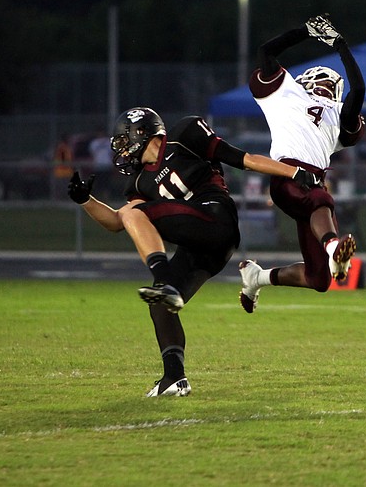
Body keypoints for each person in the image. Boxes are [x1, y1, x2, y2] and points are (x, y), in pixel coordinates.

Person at [67, 107, 320, 397]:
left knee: (137, 219)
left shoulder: (184, 136)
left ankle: (163, 282)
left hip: (216, 220)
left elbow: (244, 160)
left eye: (124, 142)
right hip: (205, 250)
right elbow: (116, 222)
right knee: (159, 305)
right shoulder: (138, 180)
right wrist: (85, 200)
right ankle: (174, 378)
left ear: (141, 133)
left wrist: (295, 173)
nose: (122, 151)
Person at [238, 14, 366, 313]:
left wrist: (341, 46)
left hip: (313, 188)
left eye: (331, 83)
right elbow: (266, 51)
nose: (326, 85)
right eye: (320, 80)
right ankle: (334, 247)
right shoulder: (285, 92)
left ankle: (257, 278)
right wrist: (304, 32)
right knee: (321, 198)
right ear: (306, 81)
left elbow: (358, 90)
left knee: (318, 279)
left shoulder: (337, 114)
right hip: (287, 176)